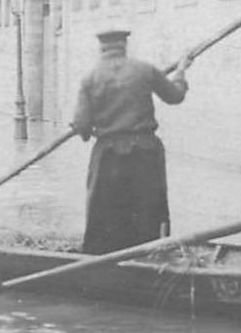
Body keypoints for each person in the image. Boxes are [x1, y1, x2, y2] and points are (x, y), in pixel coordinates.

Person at [71, 29, 190, 254]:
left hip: (108, 155)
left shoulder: (90, 78)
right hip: (144, 152)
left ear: (102, 48)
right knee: (148, 209)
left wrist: (83, 128)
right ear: (124, 46)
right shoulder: (145, 70)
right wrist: (181, 71)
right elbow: (175, 96)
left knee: (105, 212)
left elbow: (83, 127)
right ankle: (150, 254)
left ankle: (103, 260)